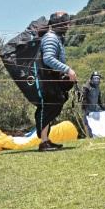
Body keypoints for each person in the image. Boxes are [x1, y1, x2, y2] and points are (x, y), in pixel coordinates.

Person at [34, 11, 78, 151]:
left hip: (51, 80)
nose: (67, 26)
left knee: (53, 106)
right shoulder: (51, 38)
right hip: (46, 80)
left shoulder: (57, 38)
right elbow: (48, 58)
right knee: (48, 107)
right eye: (65, 24)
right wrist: (68, 70)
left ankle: (46, 140)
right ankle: (43, 142)